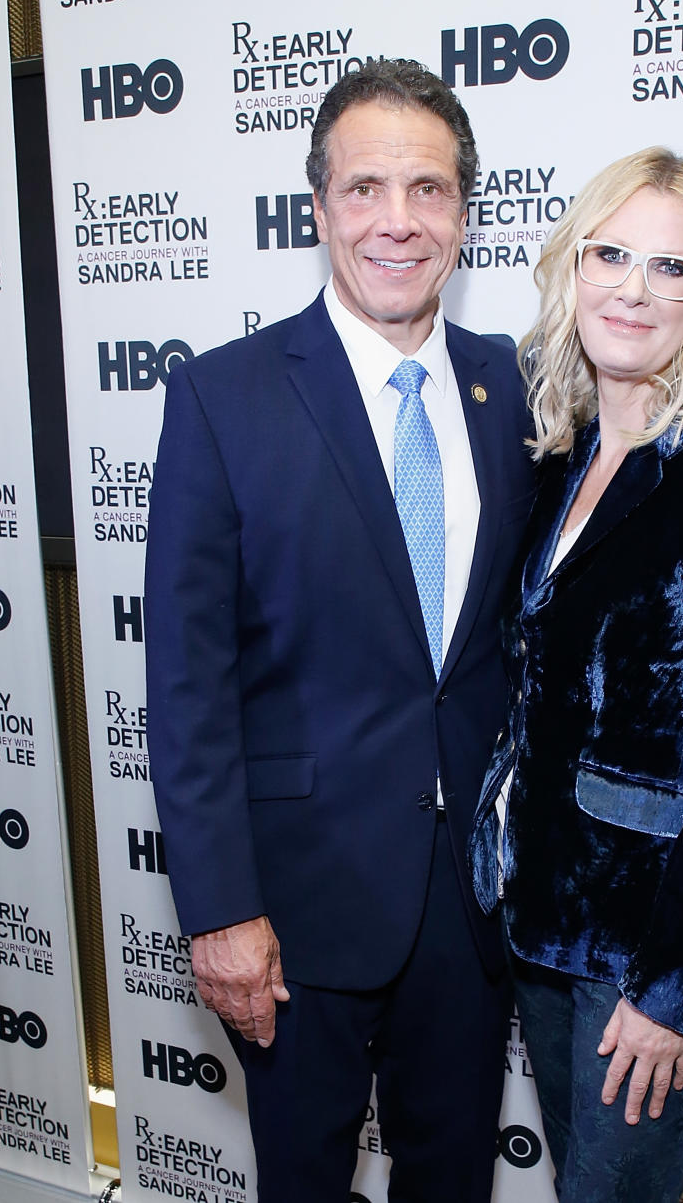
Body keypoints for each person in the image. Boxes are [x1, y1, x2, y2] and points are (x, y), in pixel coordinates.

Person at [145, 59, 534, 1203]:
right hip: (293, 912)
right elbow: (188, 680)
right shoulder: (223, 399)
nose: (397, 221)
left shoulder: (514, 390)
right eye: (365, 188)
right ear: (317, 207)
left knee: (453, 1180)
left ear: (465, 212)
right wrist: (218, 908)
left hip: (472, 901)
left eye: (429, 188)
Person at [469, 147, 683, 1202]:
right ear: (571, 266)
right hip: (544, 915)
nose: (632, 287)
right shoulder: (557, 459)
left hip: (655, 940)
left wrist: (672, 992)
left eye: (673, 267)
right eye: (610, 253)